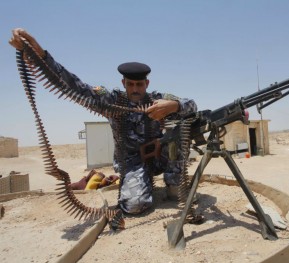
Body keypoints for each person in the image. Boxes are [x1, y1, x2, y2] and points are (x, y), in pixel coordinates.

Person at [9, 28, 197, 214]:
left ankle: (175, 187)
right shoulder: (112, 101)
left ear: (146, 84)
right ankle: (138, 184)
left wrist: (174, 105)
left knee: (180, 133)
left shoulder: (159, 99)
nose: (135, 89)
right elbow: (75, 86)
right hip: (132, 161)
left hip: (159, 155)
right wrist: (40, 56)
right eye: (130, 84)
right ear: (124, 83)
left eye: (139, 84)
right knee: (135, 206)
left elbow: (192, 105)